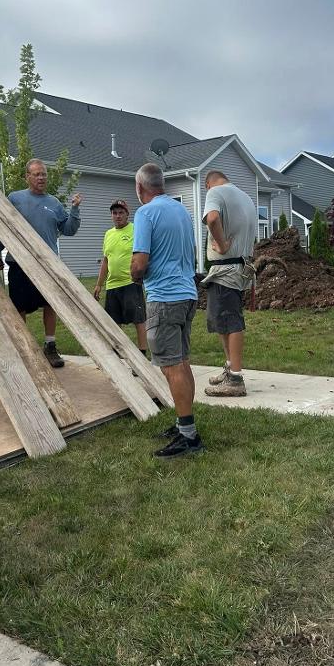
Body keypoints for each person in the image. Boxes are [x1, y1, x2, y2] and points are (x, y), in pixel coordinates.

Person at [131, 162, 203, 458]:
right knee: (181, 361)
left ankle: (189, 436)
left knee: (171, 366)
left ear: (140, 188)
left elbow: (140, 262)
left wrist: (134, 274)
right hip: (187, 293)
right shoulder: (180, 211)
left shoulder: (146, 212)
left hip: (164, 297)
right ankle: (183, 423)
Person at [0, 158, 81, 368]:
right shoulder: (15, 199)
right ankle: (24, 349)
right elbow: (3, 227)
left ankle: (50, 346)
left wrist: (74, 210)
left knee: (50, 304)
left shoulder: (54, 203)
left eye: (44, 174)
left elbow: (68, 229)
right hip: (20, 263)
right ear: (27, 177)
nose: (41, 178)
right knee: (19, 307)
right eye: (37, 174)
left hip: (48, 265)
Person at [201, 170, 257, 397]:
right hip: (240, 267)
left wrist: (222, 244)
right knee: (223, 321)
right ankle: (229, 367)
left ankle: (235, 378)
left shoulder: (215, 192)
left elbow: (212, 218)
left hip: (226, 269)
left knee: (230, 320)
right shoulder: (246, 197)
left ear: (207, 185)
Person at [93, 200, 148, 354]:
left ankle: (142, 354)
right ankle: (118, 353)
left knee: (138, 320)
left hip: (131, 283)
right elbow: (106, 260)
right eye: (114, 213)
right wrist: (99, 284)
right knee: (114, 322)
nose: (117, 216)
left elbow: (144, 254)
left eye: (121, 213)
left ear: (127, 214)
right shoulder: (108, 234)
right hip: (112, 285)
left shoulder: (135, 230)